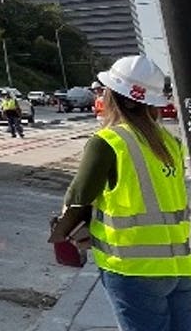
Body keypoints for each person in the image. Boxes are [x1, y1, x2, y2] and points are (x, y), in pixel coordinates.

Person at [59, 55, 190, 331]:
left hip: (134, 269)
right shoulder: (171, 143)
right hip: (181, 266)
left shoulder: (108, 142)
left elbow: (76, 200)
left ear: (115, 97)